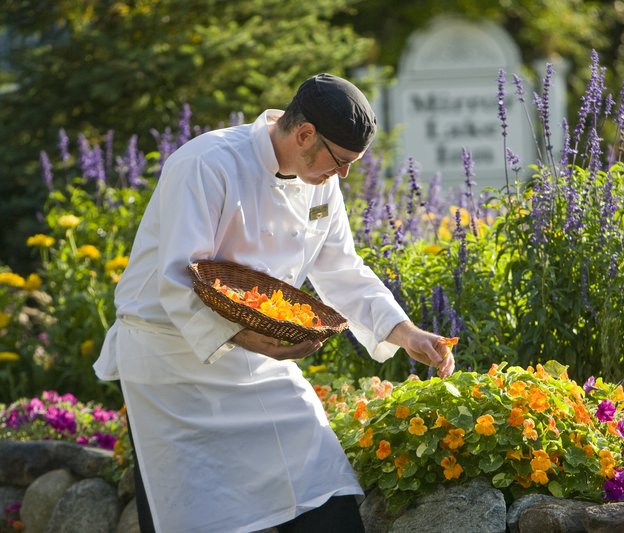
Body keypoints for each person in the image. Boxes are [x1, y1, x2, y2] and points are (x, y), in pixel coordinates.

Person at [93, 73, 456, 533]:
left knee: (325, 489)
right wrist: (249, 336)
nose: (343, 175)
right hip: (172, 361)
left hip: (262, 358)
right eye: (341, 161)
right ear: (304, 134)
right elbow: (177, 278)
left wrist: (405, 333)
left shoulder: (321, 181)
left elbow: (341, 267)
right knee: (192, 515)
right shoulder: (207, 163)